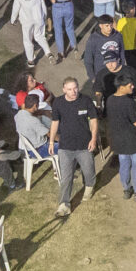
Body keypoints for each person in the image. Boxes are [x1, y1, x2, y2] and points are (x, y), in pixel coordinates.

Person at [47, 76, 98, 218]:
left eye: (75, 88)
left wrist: (93, 139)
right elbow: (55, 122)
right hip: (66, 147)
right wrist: (51, 142)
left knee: (89, 172)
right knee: (66, 178)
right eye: (70, 89)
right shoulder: (58, 103)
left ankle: (89, 188)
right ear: (64, 89)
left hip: (84, 146)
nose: (73, 91)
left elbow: (94, 120)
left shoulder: (86, 100)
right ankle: (64, 205)